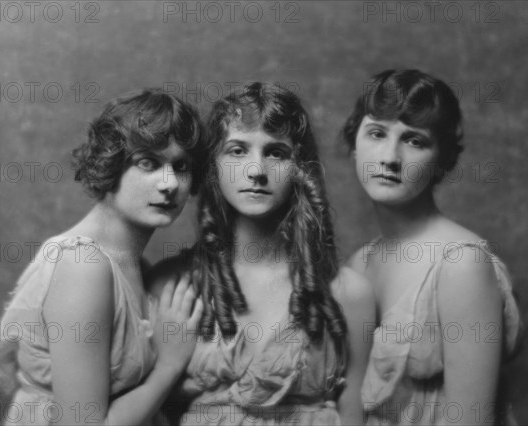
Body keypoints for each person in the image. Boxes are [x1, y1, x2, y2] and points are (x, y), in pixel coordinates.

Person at [148, 82, 374, 425]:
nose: (256, 171)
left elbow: (354, 413)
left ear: (300, 168)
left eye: (276, 152)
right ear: (213, 167)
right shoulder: (172, 286)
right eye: (237, 151)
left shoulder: (347, 294)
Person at [0, 89, 205, 425]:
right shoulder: (83, 266)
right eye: (148, 162)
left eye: (181, 166)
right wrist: (169, 365)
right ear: (111, 163)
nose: (169, 184)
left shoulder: (132, 265)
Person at [342, 69, 522, 425]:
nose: (390, 158)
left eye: (414, 141)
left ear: (440, 160)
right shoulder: (360, 265)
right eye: (377, 133)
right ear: (355, 144)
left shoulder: (462, 263)